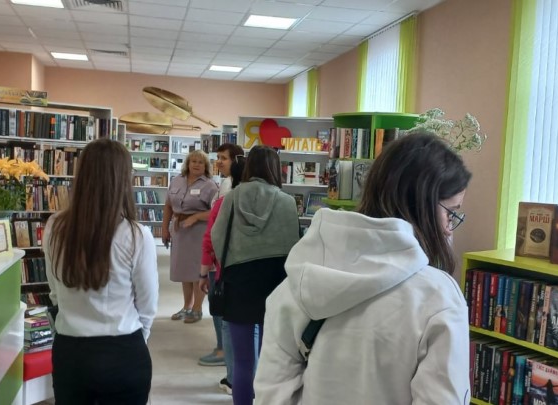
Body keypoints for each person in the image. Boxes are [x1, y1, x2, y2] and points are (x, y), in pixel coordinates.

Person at [254, 133, 473, 405]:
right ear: (422, 203)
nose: (449, 228)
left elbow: (271, 395)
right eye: (451, 212)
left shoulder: (298, 282)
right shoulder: (438, 297)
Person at [43, 138, 159, 404]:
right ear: (123, 179)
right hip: (123, 350)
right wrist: (134, 341)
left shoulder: (54, 228)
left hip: (71, 351)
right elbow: (148, 305)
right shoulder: (137, 235)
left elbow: (55, 291)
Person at [211, 145, 301, 405]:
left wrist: (233, 259)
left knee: (242, 361)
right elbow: (294, 245)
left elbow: (218, 237)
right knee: (271, 359)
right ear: (275, 168)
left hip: (238, 280)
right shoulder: (286, 201)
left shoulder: (232, 197)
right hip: (275, 282)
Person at [197, 143, 245, 394]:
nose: (219, 162)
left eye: (224, 158)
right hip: (238, 265)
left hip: (222, 264)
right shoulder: (228, 185)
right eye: (217, 158)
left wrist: (204, 270)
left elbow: (212, 234)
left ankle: (230, 369)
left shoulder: (229, 192)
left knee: (224, 318)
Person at [163, 149, 218, 323]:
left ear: (206, 166)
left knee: (197, 271)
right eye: (193, 161)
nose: (196, 165)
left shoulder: (210, 185)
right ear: (187, 163)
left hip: (199, 232)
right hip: (179, 230)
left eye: (200, 162)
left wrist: (196, 217)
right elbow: (168, 206)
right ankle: (186, 306)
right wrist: (165, 229)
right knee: (184, 270)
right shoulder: (176, 181)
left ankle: (197, 308)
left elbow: (216, 212)